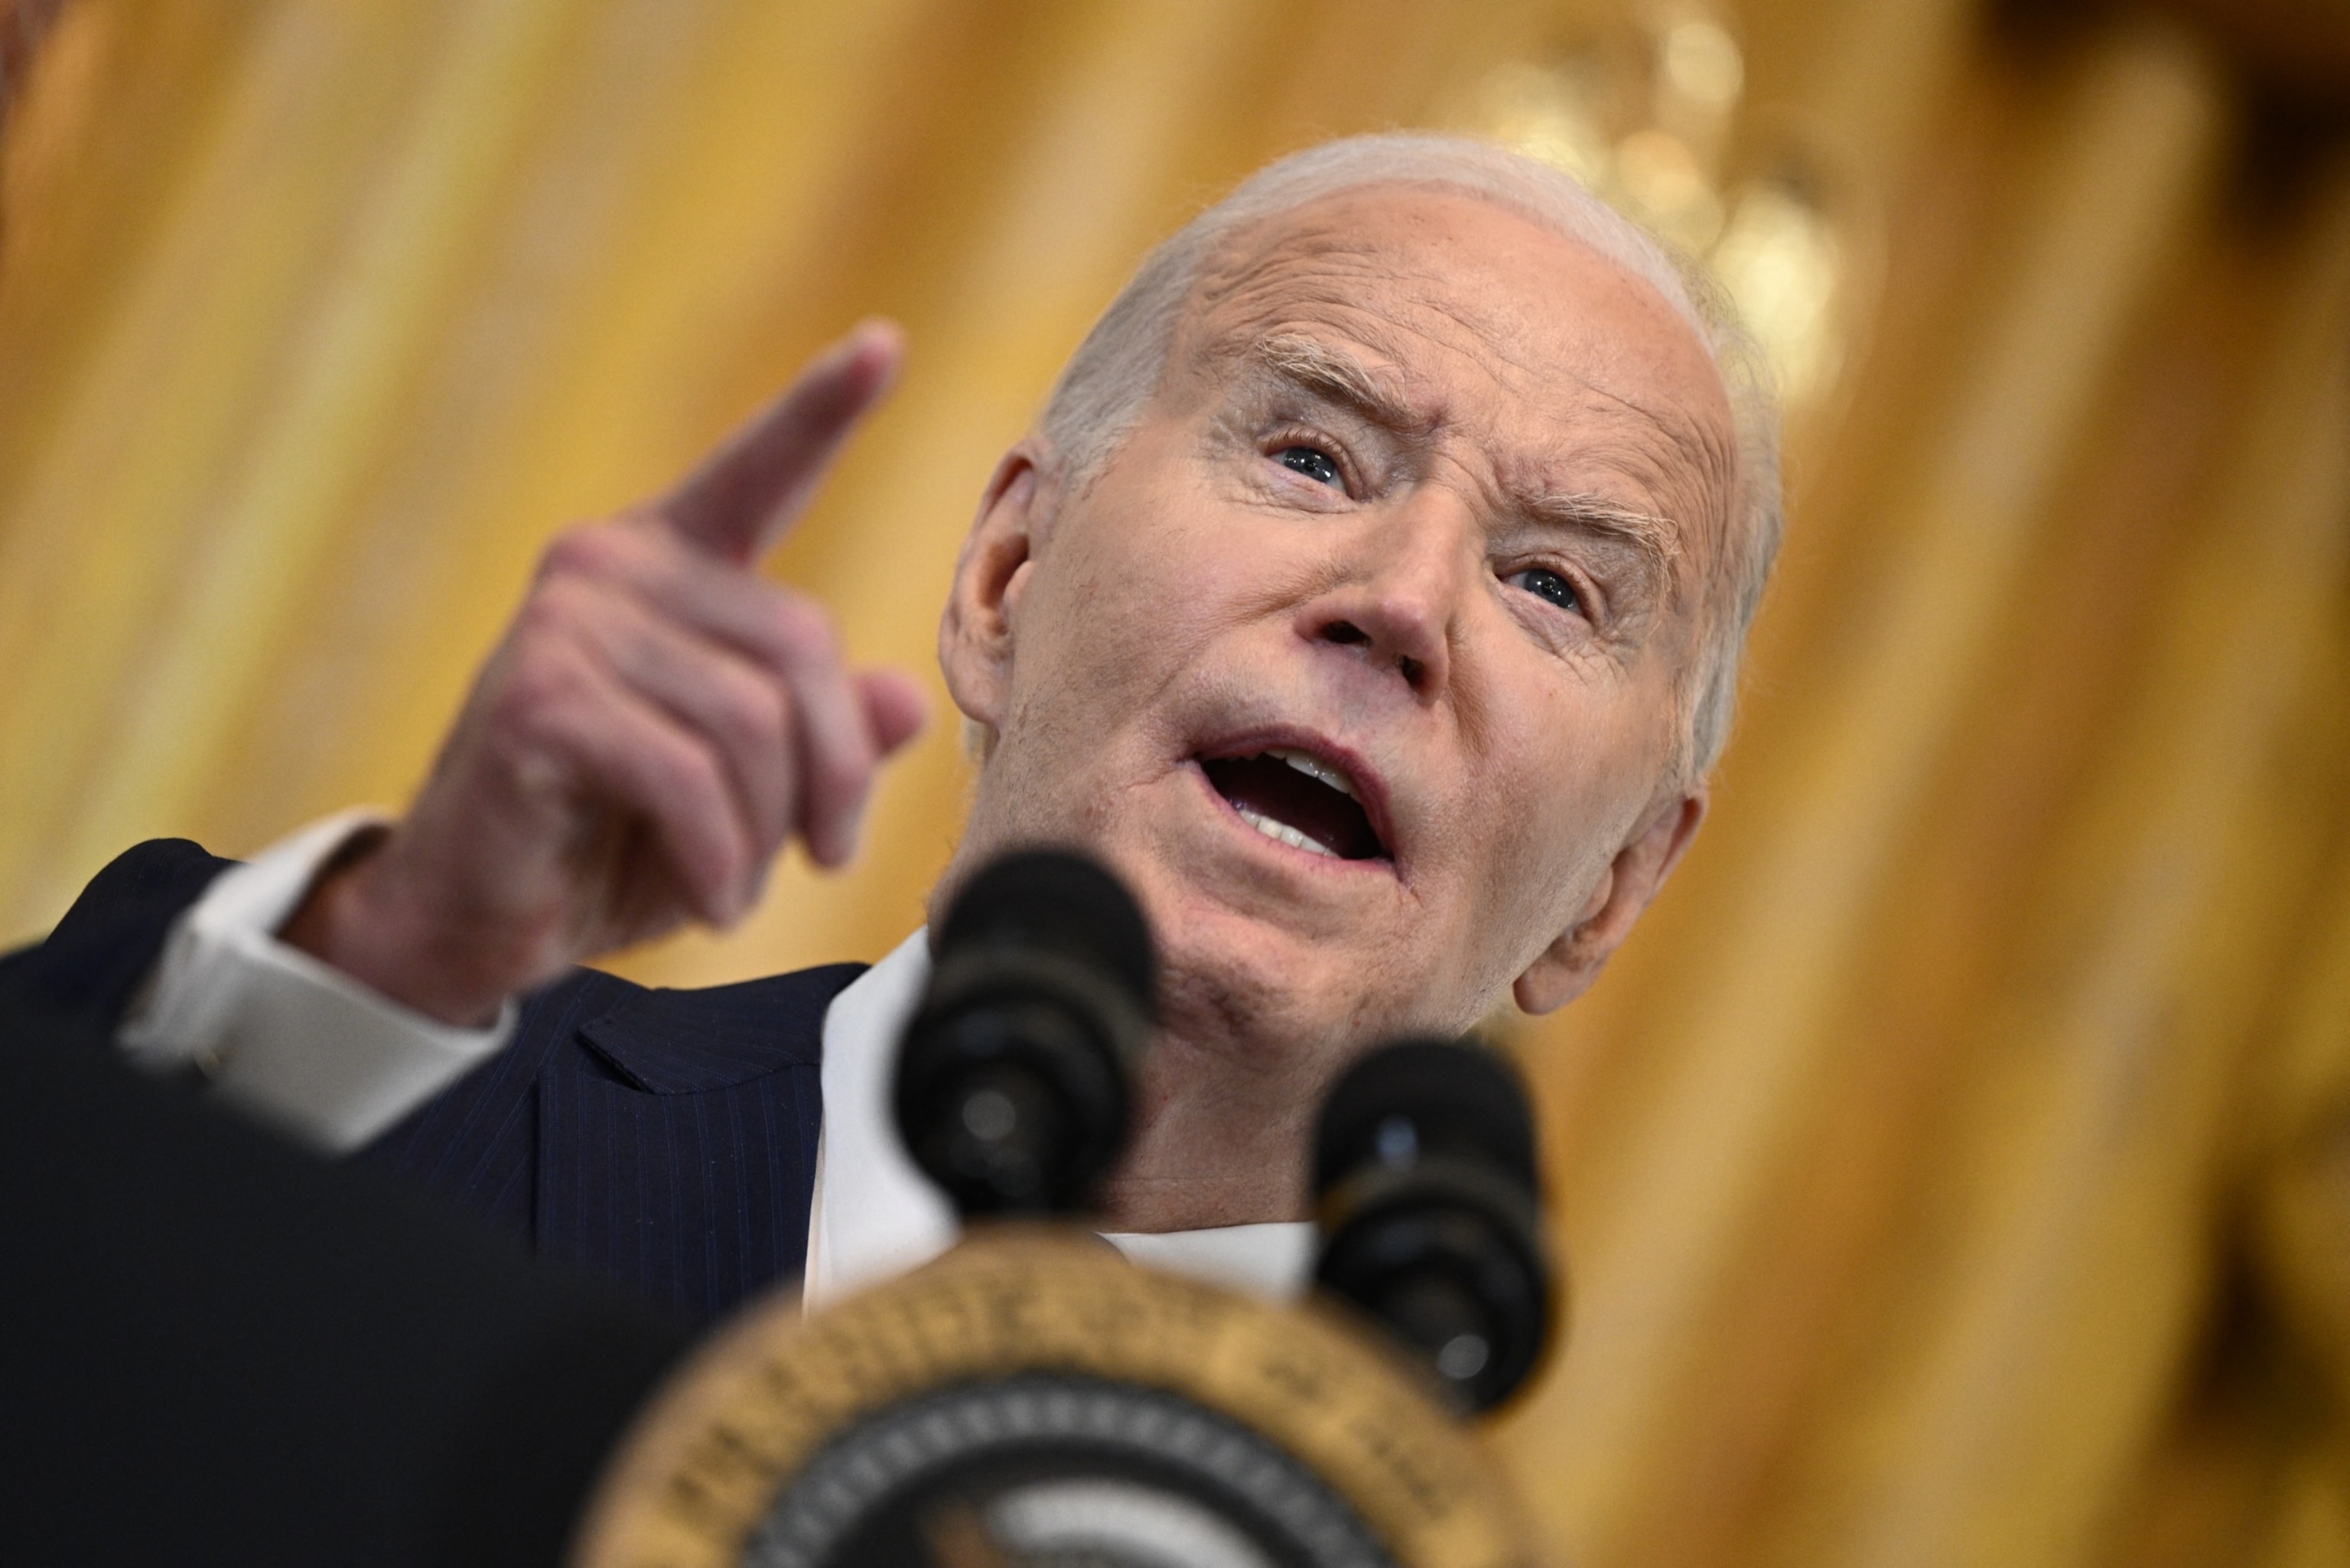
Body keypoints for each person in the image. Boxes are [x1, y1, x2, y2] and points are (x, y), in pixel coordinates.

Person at [4, 132, 1779, 1325]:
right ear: (1008, 573)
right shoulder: (393, 1083)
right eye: (1313, 454)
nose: (1403, 598)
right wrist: (393, 961)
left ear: (1615, 885)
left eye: (1555, 584)